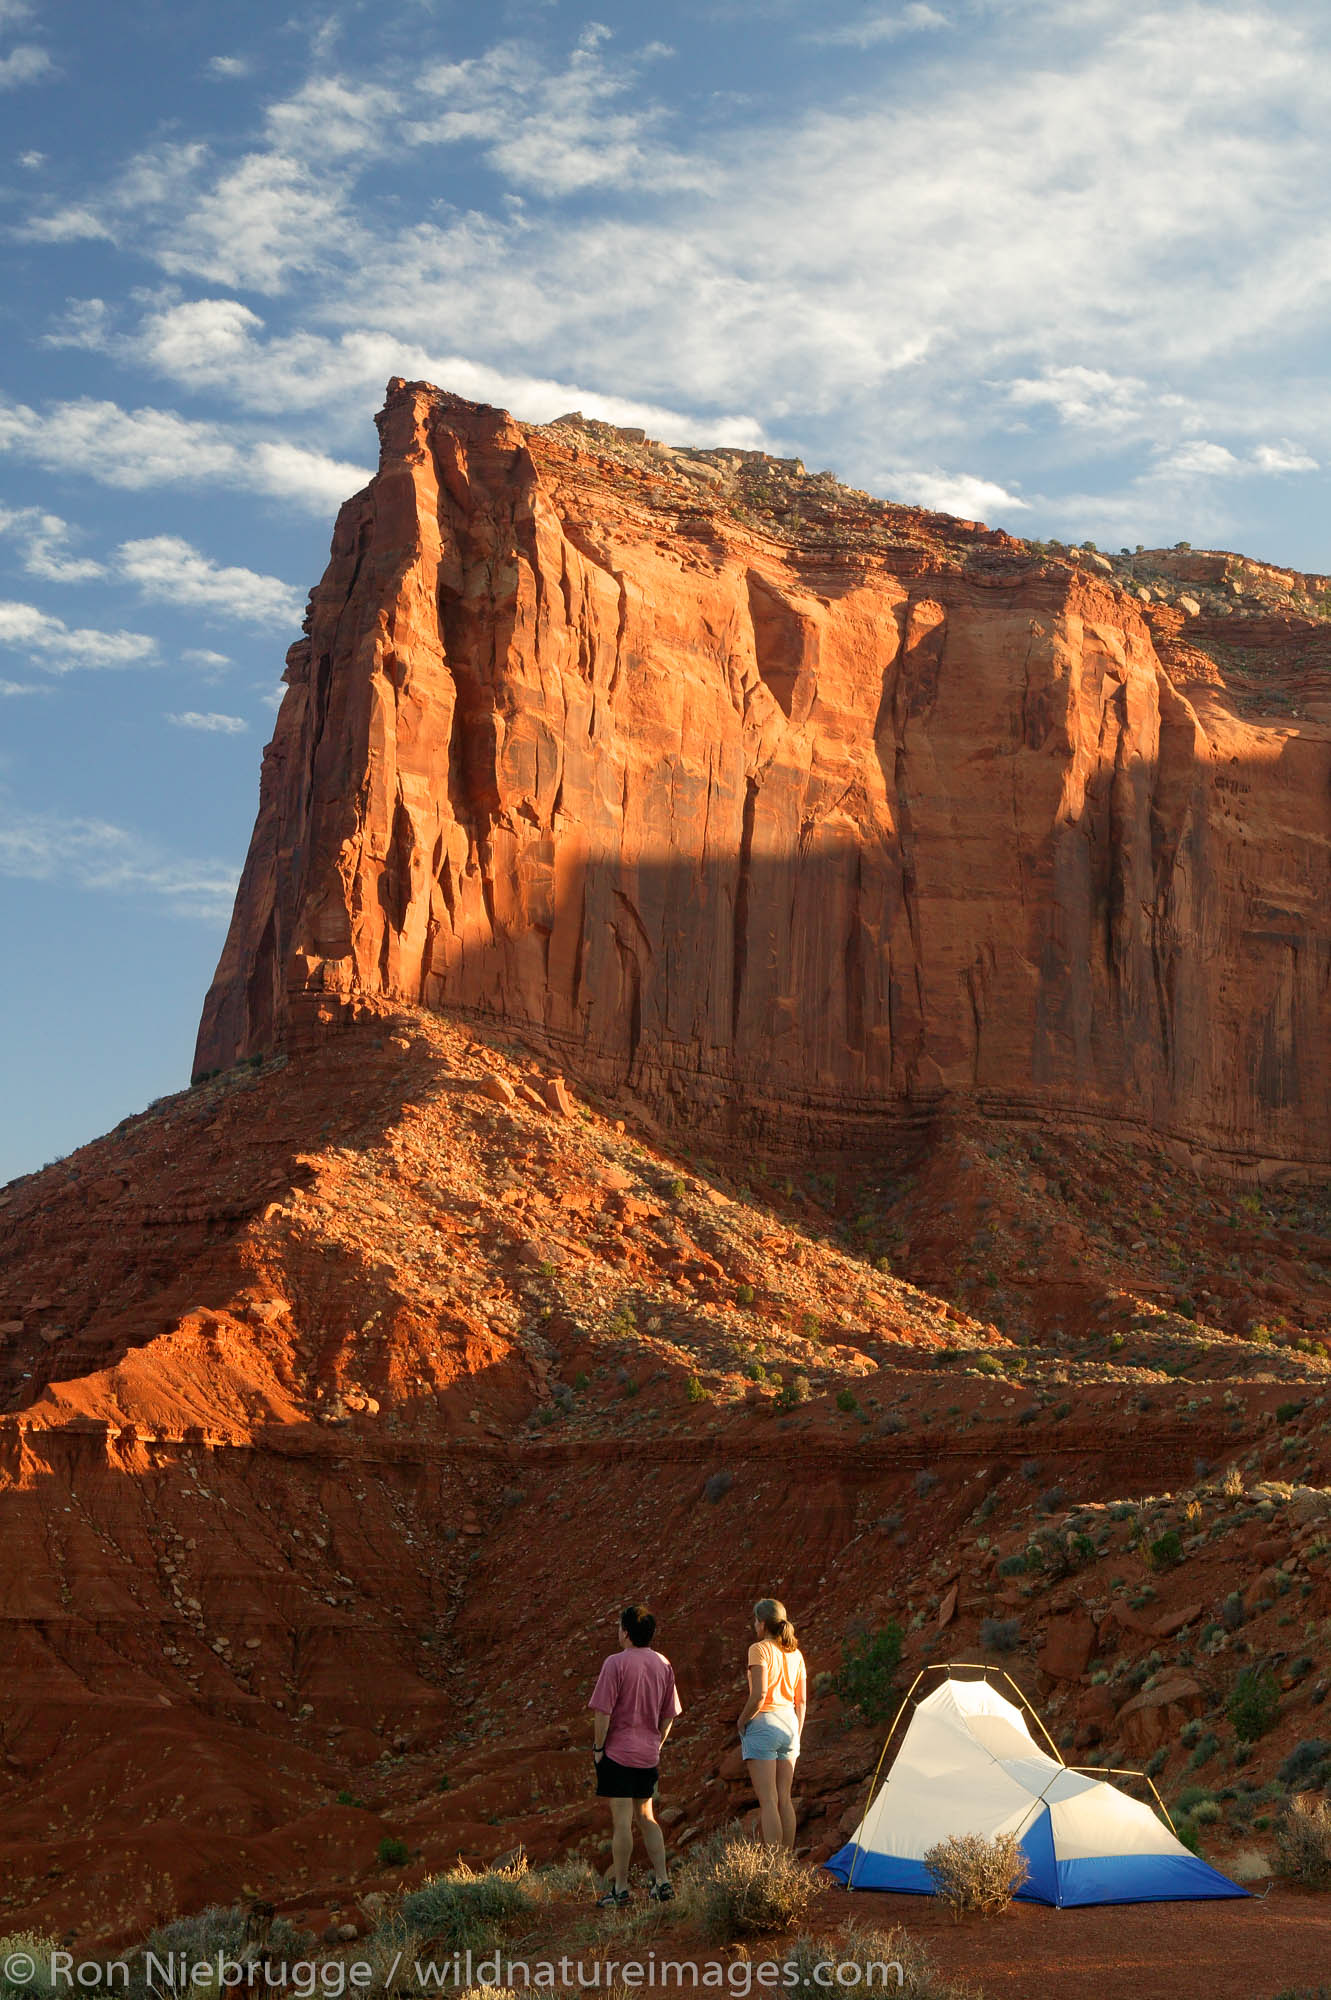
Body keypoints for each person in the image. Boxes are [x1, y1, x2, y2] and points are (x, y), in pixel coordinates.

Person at [587, 1602, 682, 1907]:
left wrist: (599, 1749)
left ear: (626, 1632)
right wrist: (658, 1744)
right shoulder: (663, 1664)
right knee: (647, 1816)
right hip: (647, 1755)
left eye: (618, 1627)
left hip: (618, 1754)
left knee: (622, 1822)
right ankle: (664, 1881)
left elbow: (602, 1714)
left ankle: (621, 1889)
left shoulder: (615, 1664)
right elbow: (670, 1715)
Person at [737, 1595, 807, 1849]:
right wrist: (796, 1732)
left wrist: (741, 1721)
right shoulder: (796, 1653)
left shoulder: (758, 1650)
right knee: (784, 1799)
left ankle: (774, 1868)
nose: (754, 1626)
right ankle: (786, 1864)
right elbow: (801, 1702)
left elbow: (760, 1694)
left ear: (763, 1623)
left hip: (764, 1723)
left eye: (756, 1621)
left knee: (768, 1800)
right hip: (789, 1723)